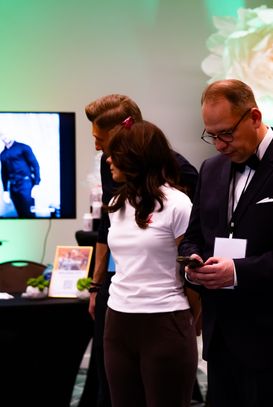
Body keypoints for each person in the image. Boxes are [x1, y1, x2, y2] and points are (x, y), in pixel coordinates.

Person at [179, 79, 273, 407]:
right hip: (221, 337)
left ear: (254, 117)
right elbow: (194, 236)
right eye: (211, 135)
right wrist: (192, 264)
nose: (219, 145)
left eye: (226, 133)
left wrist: (237, 272)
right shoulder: (210, 169)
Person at [82, 94, 198, 407]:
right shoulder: (116, 197)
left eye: (103, 141)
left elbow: (191, 264)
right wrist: (96, 286)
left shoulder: (178, 199)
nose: (101, 152)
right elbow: (106, 235)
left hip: (165, 315)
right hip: (120, 314)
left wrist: (188, 317)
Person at [0, 132, 40, 217]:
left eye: (6, 134)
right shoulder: (2, 154)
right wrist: (5, 191)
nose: (4, 137)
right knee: (20, 214)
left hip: (26, 185)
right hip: (13, 187)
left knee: (29, 214)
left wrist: (37, 184)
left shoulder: (23, 147)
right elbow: (4, 173)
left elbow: (35, 165)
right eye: (2, 135)